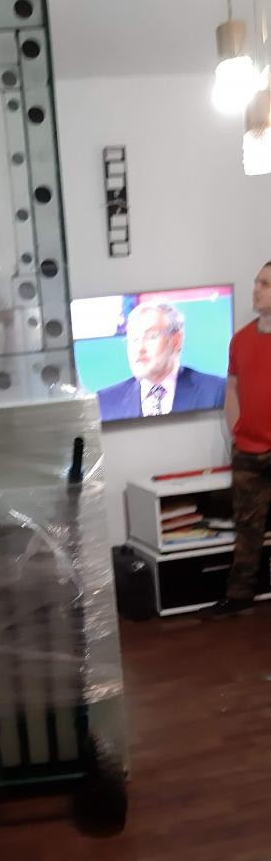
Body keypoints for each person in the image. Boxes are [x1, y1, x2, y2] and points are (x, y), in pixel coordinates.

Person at [204, 263, 271, 618]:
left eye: (265, 284)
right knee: (247, 525)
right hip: (248, 448)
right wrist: (237, 427)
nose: (256, 289)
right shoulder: (241, 339)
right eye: (257, 282)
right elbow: (232, 387)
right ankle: (239, 594)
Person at [97, 301, 226, 421]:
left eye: (151, 336)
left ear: (176, 341)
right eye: (134, 338)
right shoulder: (104, 402)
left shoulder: (216, 391)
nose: (140, 348)